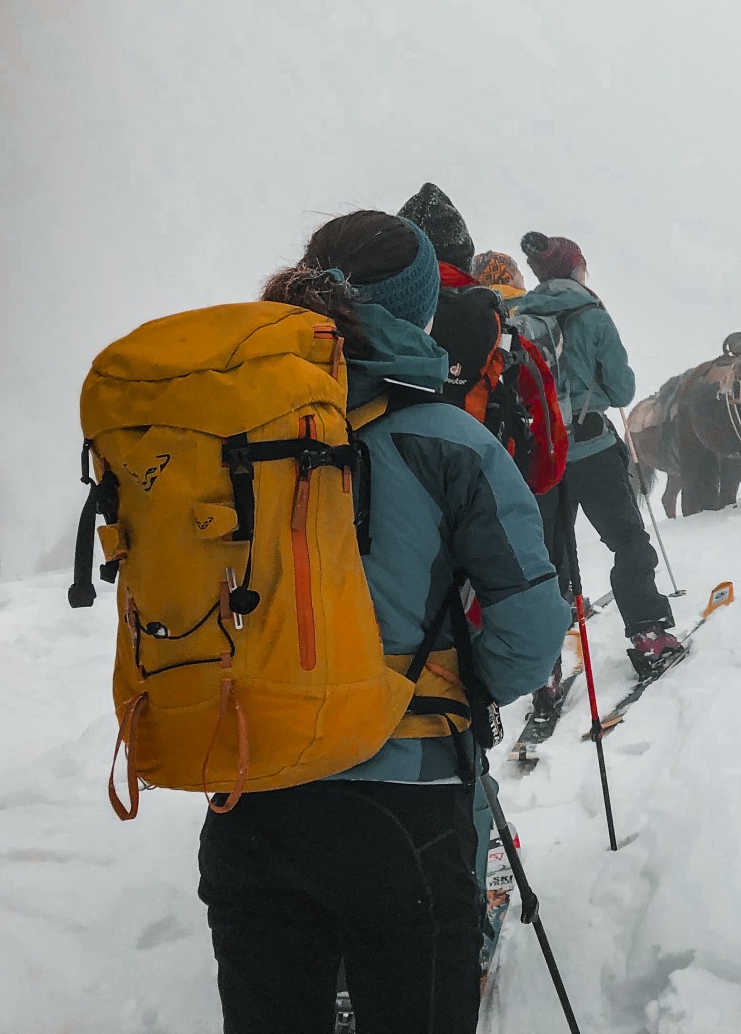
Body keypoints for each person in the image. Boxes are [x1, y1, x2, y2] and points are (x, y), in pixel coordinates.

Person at [200, 211, 570, 1034]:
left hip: (249, 796)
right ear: (417, 316)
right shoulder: (450, 442)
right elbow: (528, 627)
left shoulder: (223, 437)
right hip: (404, 808)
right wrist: (459, 694)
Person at [508, 232, 680, 675]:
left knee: (547, 552)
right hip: (594, 450)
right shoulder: (592, 314)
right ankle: (649, 634)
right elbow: (622, 389)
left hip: (541, 454)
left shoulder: (518, 316)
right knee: (627, 540)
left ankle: (545, 665)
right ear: (575, 267)